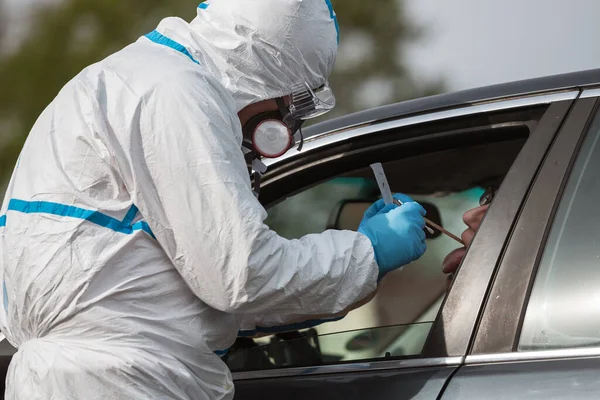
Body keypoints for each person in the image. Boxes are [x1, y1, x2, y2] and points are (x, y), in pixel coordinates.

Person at [0, 1, 427, 399]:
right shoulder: (177, 94)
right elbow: (242, 275)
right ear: (264, 73)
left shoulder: (139, 77)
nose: (284, 125)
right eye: (291, 105)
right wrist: (367, 251)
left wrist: (354, 265)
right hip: (122, 381)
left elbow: (208, 297)